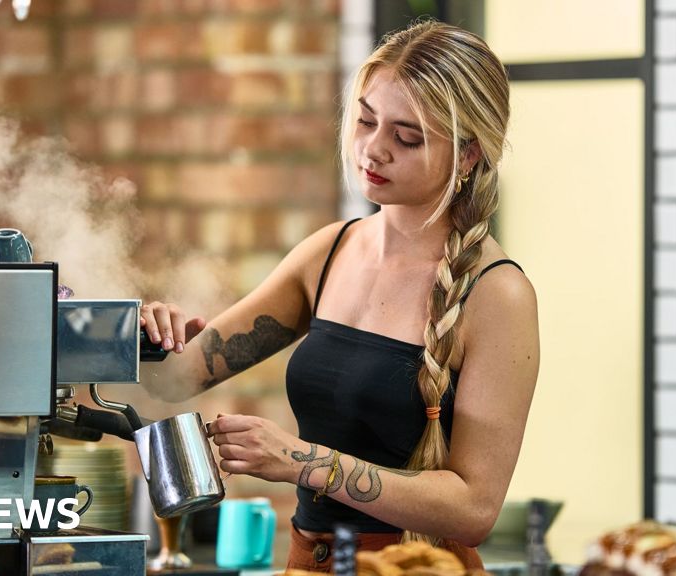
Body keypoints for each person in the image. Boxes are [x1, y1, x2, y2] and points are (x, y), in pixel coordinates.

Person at [137, 19, 539, 571]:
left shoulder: (498, 295)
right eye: (367, 121)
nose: (373, 149)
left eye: (406, 137)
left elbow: (474, 510)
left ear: (468, 156)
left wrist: (301, 461)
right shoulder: (328, 253)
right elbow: (173, 380)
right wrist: (144, 334)